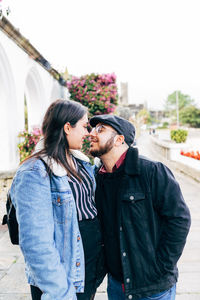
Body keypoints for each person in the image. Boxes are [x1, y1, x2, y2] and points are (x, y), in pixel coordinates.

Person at [10, 99, 105, 300]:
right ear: (67, 127)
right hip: (62, 276)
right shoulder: (35, 171)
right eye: (84, 125)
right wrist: (59, 291)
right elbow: (36, 243)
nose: (88, 132)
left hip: (87, 269)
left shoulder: (80, 162)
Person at [89, 114, 191, 300]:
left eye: (100, 129)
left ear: (119, 139)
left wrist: (161, 267)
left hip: (152, 287)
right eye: (92, 128)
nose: (91, 134)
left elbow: (179, 219)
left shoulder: (152, 171)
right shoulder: (97, 178)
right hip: (116, 286)